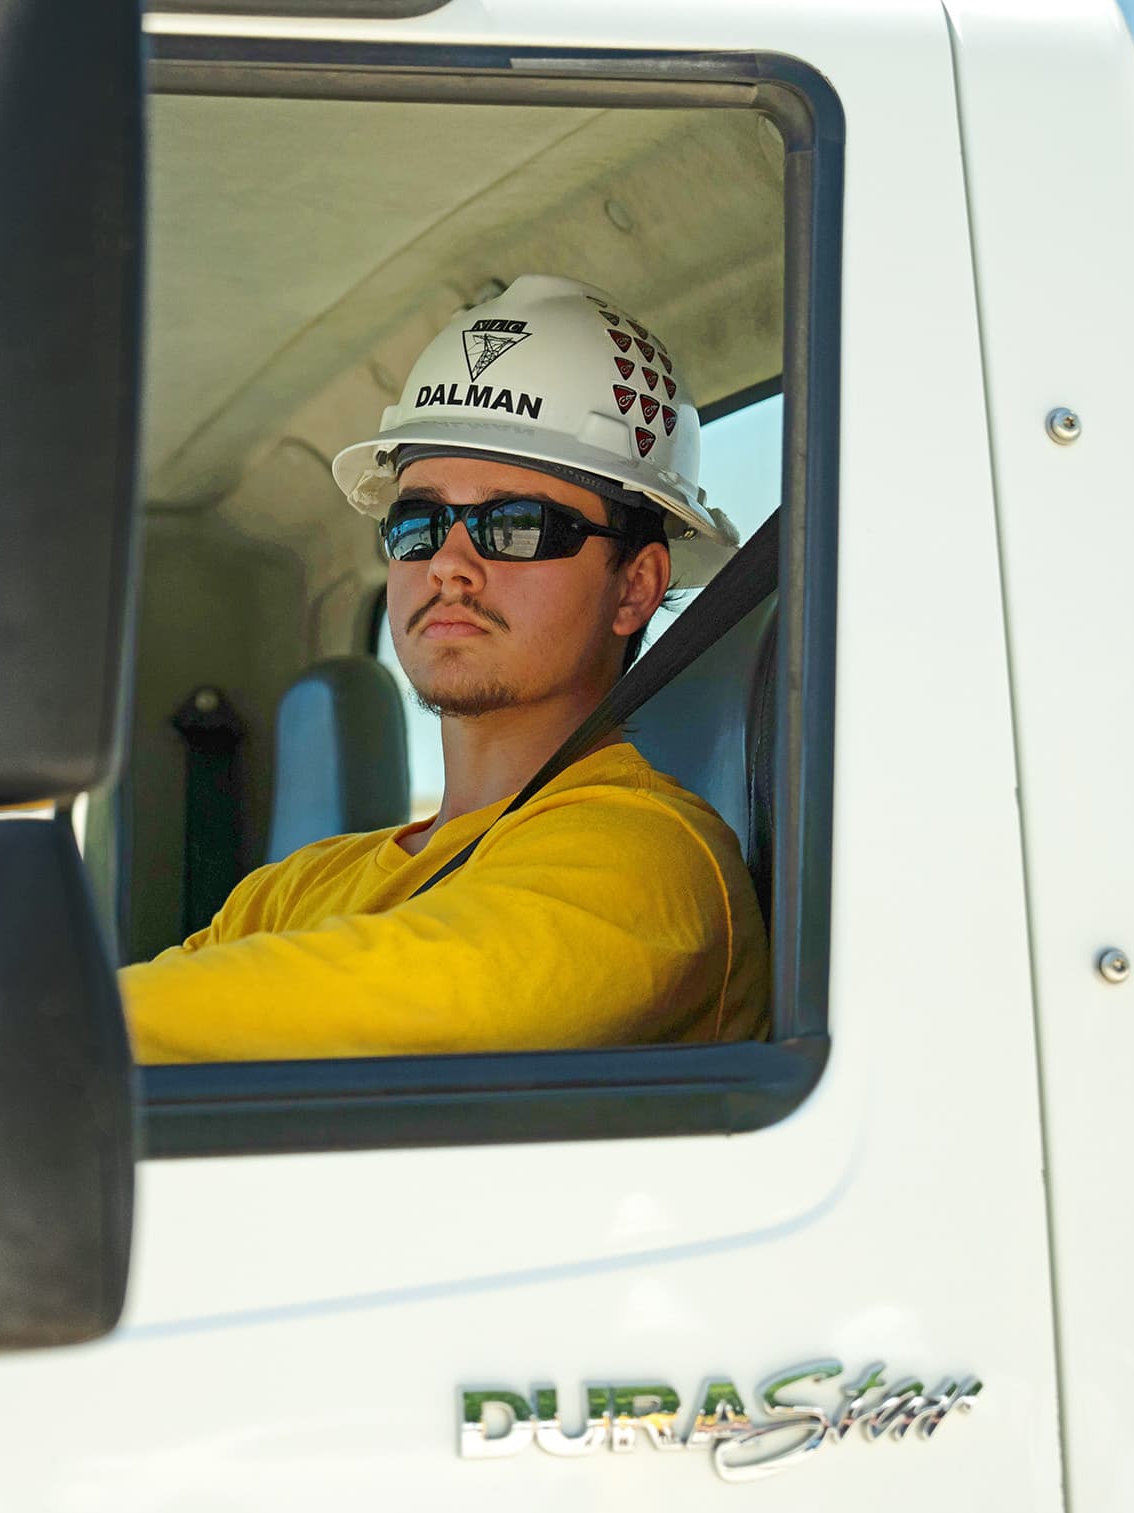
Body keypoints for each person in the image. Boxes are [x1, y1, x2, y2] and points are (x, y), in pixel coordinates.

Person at [119, 274, 769, 1063]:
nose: (449, 565)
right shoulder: (290, 890)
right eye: (420, 521)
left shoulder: (652, 864)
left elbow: (423, 1004)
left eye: (518, 525)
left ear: (635, 586)